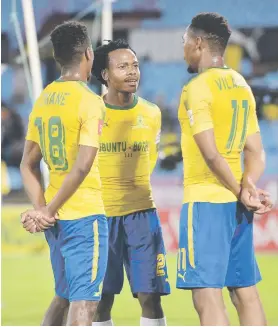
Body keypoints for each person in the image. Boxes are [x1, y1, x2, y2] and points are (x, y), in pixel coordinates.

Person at [176, 12, 272, 326]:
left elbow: (211, 156)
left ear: (199, 43)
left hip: (206, 202)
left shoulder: (197, 87)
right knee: (245, 292)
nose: (184, 49)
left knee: (206, 296)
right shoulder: (240, 84)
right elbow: (256, 152)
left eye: (185, 42)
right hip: (237, 207)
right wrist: (248, 187)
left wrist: (239, 189)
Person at [20, 21, 108, 326]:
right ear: (88, 53)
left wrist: (42, 210)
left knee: (64, 297)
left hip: (56, 224)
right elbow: (82, 166)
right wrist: (49, 210)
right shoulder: (90, 101)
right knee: (84, 304)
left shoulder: (44, 99)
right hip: (84, 216)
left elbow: (27, 164)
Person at [91, 40, 170, 326]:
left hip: (141, 215)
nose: (132, 72)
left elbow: (150, 160)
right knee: (101, 299)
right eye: (123, 66)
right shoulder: (90, 112)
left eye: (135, 65)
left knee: (150, 295)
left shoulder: (151, 113)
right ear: (105, 75)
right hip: (101, 216)